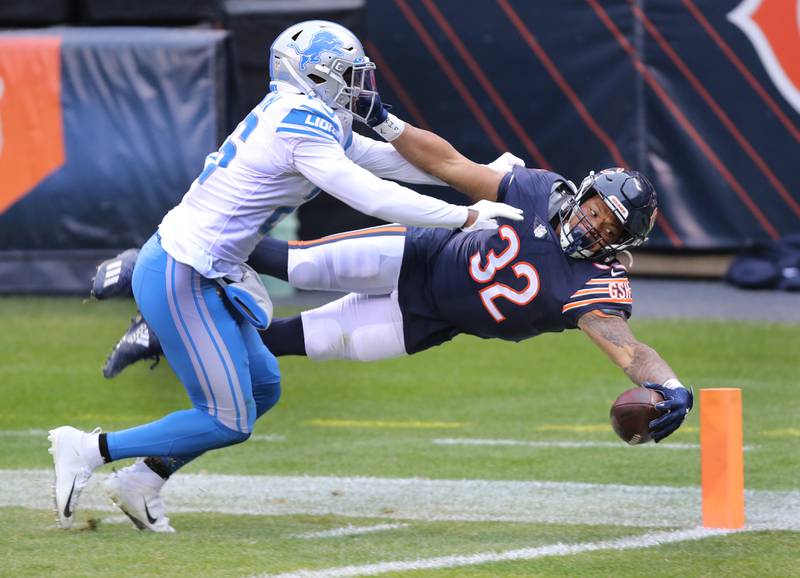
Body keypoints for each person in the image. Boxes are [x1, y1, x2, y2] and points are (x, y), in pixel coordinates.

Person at [91, 101, 693, 532]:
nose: (593, 224)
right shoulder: (541, 191)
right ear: (583, 193)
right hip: (416, 253)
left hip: (429, 322)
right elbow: (453, 167)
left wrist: (666, 386)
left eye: (610, 226)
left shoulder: (595, 284)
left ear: (621, 241)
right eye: (595, 209)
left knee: (287, 343)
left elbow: (626, 349)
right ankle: (156, 257)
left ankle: (163, 336)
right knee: (290, 262)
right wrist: (387, 122)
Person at [48, 19, 524, 533]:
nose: (361, 83)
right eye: (347, 73)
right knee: (226, 419)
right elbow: (371, 195)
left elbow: (397, 164)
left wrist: (490, 175)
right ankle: (89, 448)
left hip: (209, 270)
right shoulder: (297, 122)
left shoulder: (318, 117)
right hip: (182, 270)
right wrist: (467, 215)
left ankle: (143, 480)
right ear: (312, 75)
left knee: (262, 387)